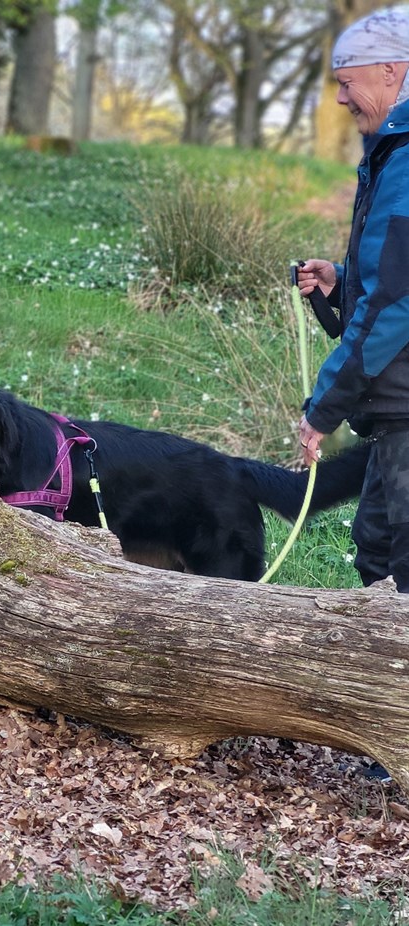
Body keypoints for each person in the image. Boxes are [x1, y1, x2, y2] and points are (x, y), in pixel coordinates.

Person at [297, 5, 409, 783]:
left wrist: (321, 407)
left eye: (347, 82)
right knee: (379, 552)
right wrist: (336, 285)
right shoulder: (388, 149)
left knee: (399, 569)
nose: (340, 99)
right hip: (397, 406)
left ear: (394, 72)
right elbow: (381, 286)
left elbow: (394, 309)